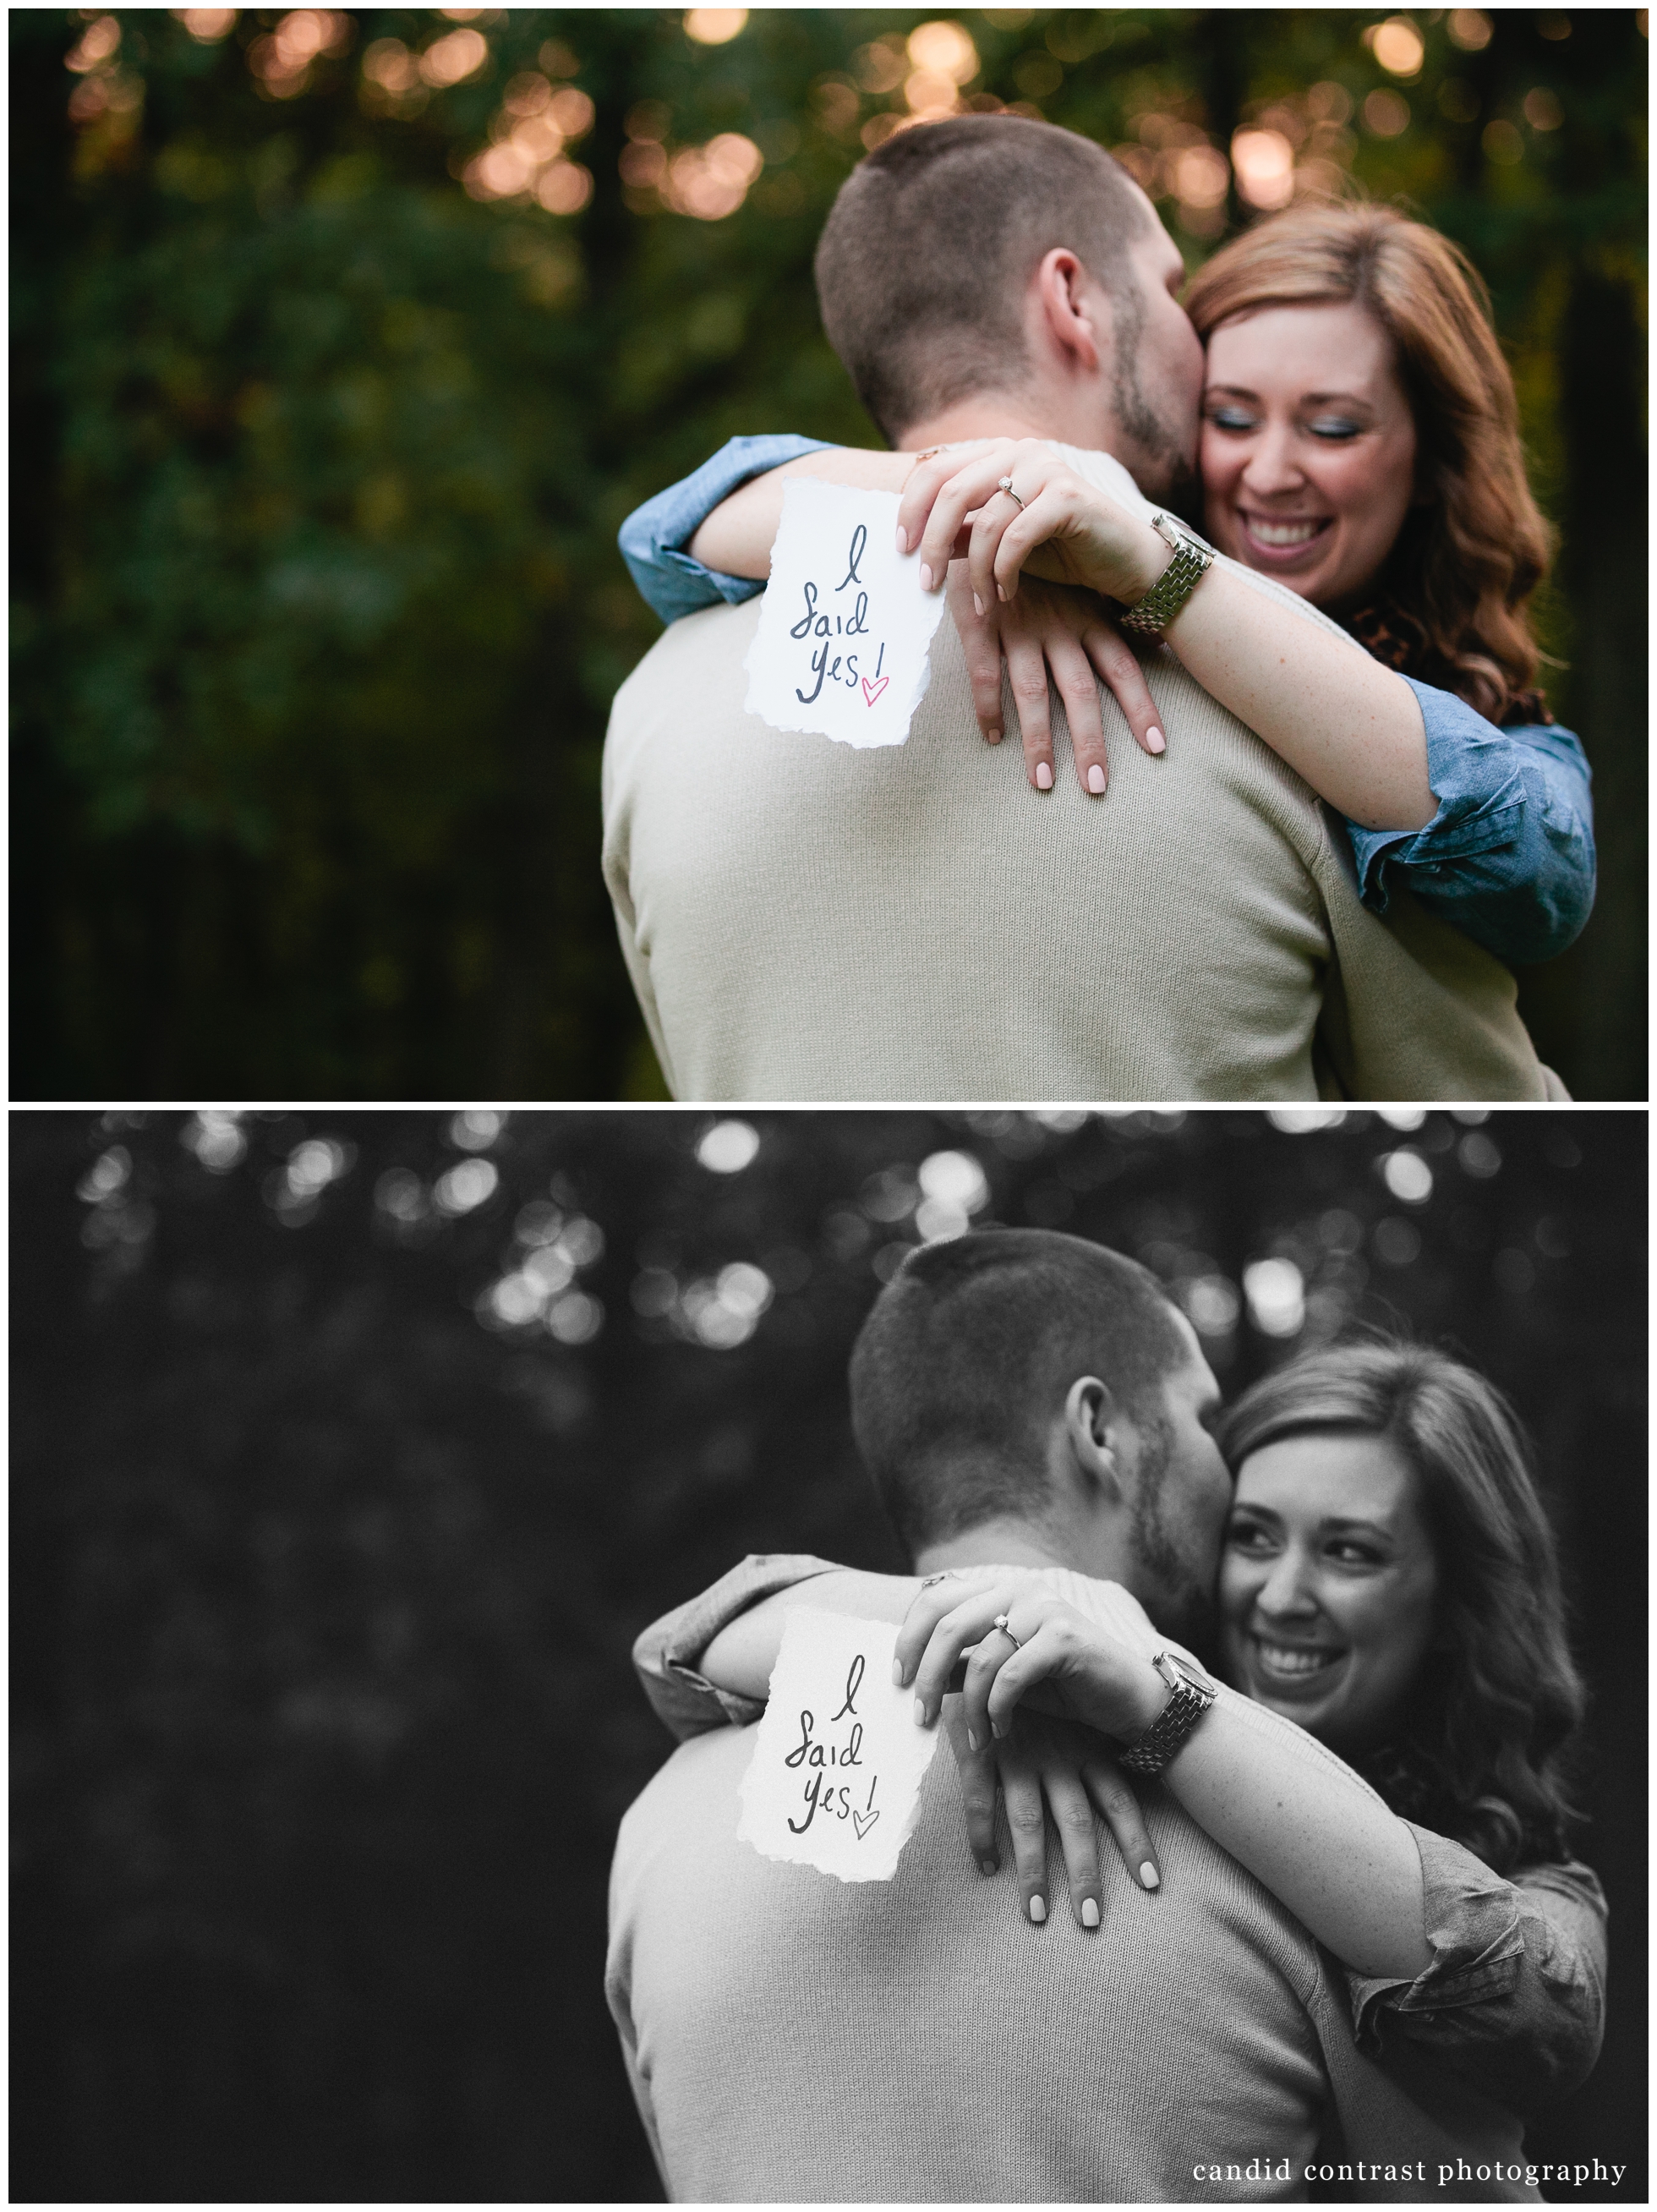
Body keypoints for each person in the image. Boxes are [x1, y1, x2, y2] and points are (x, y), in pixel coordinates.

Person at [603, 117, 1566, 1103]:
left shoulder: (651, 703)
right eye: (1168, 288)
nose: (1192, 342)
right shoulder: (1296, 706)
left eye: (1328, 424)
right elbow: (1486, 1100)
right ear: (1072, 298)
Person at [607, 1231, 1572, 2201]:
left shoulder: (663, 1822)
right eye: (1201, 1420)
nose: (1221, 1469)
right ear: (1099, 1431)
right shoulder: (1293, 1846)